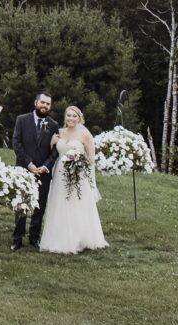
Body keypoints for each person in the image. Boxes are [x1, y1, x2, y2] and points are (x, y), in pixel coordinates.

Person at [41, 106, 108, 254]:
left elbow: (91, 158)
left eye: (74, 116)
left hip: (78, 174)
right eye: (68, 116)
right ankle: (59, 238)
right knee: (60, 203)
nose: (71, 118)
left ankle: (79, 238)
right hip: (60, 174)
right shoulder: (59, 132)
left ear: (79, 118)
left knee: (76, 204)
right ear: (65, 117)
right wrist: (51, 143)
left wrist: (79, 164)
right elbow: (52, 153)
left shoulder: (84, 135)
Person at [11, 91, 57, 250]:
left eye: (48, 104)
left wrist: (45, 167)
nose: (45, 106)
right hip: (24, 169)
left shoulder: (54, 125)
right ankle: (17, 238)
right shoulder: (22, 120)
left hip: (43, 172)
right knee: (21, 203)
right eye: (42, 102)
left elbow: (55, 151)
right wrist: (29, 164)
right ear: (36, 103)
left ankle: (34, 237)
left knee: (40, 205)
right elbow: (16, 143)